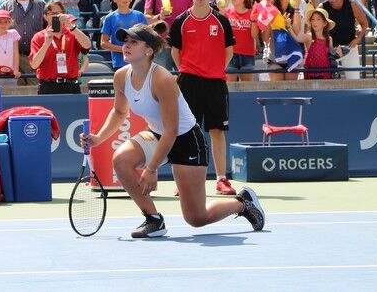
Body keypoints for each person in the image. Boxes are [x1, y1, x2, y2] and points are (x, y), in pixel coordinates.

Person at [84, 23, 264, 238]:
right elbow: (119, 112)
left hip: (186, 139)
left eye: (133, 42)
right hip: (157, 134)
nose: (126, 46)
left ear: (149, 51)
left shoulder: (162, 79)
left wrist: (150, 169)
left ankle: (242, 203)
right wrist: (98, 138)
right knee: (121, 160)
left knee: (197, 218)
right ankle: (153, 219)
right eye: (125, 41)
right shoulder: (121, 76)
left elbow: (172, 130)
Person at [169, 0, 237, 196]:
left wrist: (215, 69)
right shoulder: (181, 21)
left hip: (215, 83)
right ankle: (185, 181)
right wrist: (188, 71)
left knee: (217, 130)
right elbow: (175, 52)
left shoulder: (221, 21)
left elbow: (229, 52)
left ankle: (221, 179)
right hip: (189, 82)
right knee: (188, 132)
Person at [29, 0, 91, 94]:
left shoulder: (72, 33)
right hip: (48, 86)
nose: (57, 16)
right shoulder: (39, 37)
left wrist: (71, 26)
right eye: (53, 13)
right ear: (45, 16)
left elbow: (87, 45)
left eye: (60, 13)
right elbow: (34, 65)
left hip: (71, 85)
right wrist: (46, 44)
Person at [316, 0, 368, 80]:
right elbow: (314, 27)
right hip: (329, 50)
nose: (332, 0)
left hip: (350, 47)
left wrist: (357, 39)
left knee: (354, 80)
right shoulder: (322, 7)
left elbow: (364, 24)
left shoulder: (352, 4)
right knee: (326, 81)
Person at [4, 0, 46, 79]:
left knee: (37, 89)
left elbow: (48, 27)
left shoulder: (42, 5)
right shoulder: (5, 6)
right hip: (14, 57)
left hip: (37, 55)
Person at [100, 0, 148, 69]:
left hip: (139, 61)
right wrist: (123, 49)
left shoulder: (139, 15)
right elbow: (103, 43)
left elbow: (147, 38)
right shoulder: (109, 18)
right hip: (120, 63)